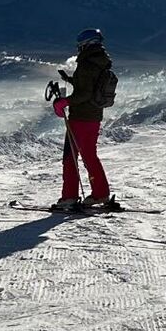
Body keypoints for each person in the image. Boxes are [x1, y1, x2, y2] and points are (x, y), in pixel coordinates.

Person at [53, 28, 118, 211]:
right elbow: (89, 86)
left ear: (85, 45)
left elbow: (84, 93)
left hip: (80, 117)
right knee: (89, 155)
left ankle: (69, 197)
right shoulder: (99, 63)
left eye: (80, 45)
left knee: (70, 158)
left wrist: (64, 101)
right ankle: (100, 193)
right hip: (94, 117)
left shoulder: (87, 64)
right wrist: (71, 79)